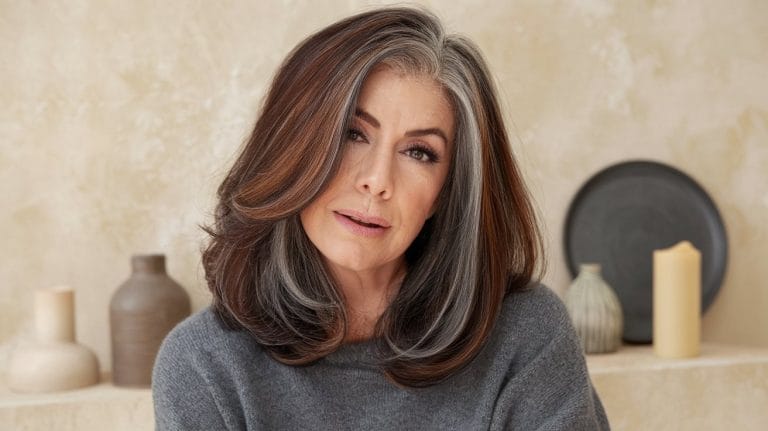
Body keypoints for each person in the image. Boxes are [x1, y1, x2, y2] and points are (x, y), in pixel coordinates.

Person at [152, 6, 610, 430]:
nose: (376, 180)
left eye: (419, 152)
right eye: (354, 133)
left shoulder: (526, 336)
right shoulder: (204, 364)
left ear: (445, 193)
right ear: (294, 149)